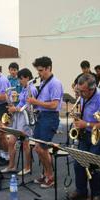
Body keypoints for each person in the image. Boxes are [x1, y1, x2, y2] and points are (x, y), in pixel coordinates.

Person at [68, 73, 100, 200]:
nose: (80, 94)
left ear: (92, 88)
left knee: (94, 165)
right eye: (79, 90)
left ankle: (96, 194)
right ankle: (81, 191)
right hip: (85, 134)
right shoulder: (84, 96)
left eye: (83, 91)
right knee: (78, 164)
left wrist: (86, 124)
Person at [27, 56, 63, 188]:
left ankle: (50, 176)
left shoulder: (55, 83)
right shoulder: (43, 82)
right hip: (42, 117)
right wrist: (34, 106)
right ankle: (46, 174)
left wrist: (36, 102)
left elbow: (54, 105)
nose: (39, 74)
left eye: (41, 70)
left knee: (43, 149)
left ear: (49, 68)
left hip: (50, 117)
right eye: (38, 71)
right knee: (38, 148)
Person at [2, 68, 38, 175]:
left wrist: (16, 109)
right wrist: (13, 108)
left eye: (21, 79)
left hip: (26, 119)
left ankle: (28, 167)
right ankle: (11, 166)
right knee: (11, 142)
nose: (19, 81)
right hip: (19, 117)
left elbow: (30, 106)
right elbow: (21, 103)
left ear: (27, 78)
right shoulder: (24, 88)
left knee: (25, 144)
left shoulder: (32, 89)